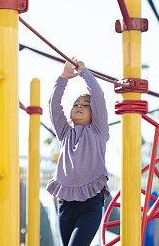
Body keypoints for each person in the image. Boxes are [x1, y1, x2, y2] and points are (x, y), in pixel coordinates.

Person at [46, 59, 110, 246]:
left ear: (94, 114)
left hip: (90, 204)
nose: (80, 106)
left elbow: (97, 97)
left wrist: (85, 74)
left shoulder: (98, 131)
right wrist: (63, 78)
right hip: (65, 204)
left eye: (85, 105)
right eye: (76, 104)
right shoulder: (65, 134)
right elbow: (53, 105)